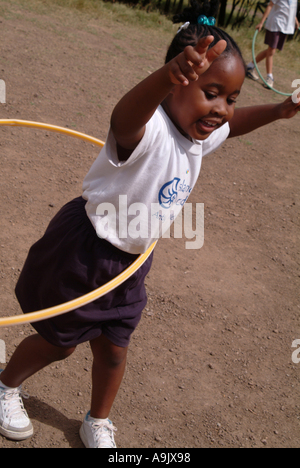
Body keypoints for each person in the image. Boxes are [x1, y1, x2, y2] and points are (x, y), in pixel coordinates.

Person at [0, 18, 299, 448]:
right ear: (175, 84)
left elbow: (235, 125)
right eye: (210, 93)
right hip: (87, 252)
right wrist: (164, 75)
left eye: (230, 98)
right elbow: (123, 117)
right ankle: (7, 385)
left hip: (133, 264)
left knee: (114, 349)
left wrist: (279, 110)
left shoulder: (200, 135)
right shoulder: (148, 130)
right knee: (59, 343)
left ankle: (96, 421)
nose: (221, 109)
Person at [247, 0, 299, 88]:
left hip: (285, 27)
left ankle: (250, 66)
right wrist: (261, 22)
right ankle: (269, 77)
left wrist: (296, 20)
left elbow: (291, 8)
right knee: (271, 51)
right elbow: (270, 5)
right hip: (276, 24)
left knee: (271, 50)